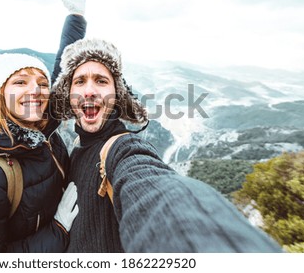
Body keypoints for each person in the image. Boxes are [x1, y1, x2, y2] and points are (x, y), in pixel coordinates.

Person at [52, 38, 284, 252]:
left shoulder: (121, 148)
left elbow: (151, 187)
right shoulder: (75, 147)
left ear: (117, 95)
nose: (90, 91)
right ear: (69, 94)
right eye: (79, 81)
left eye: (101, 81)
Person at [0, 0, 87, 252]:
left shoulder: (43, 124)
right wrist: (58, 229)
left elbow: (62, 66)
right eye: (20, 82)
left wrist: (76, 17)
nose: (35, 91)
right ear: (0, 95)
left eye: (41, 83)